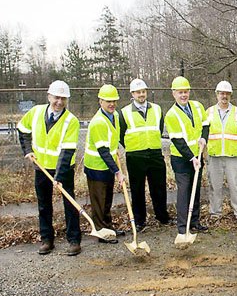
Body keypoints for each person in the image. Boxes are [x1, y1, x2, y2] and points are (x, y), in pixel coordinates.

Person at [17, 80, 82, 256]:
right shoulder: (36, 112)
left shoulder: (71, 121)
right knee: (44, 205)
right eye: (56, 97)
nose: (59, 102)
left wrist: (58, 176)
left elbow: (67, 151)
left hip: (64, 168)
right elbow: (22, 129)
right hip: (41, 167)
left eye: (63, 98)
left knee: (70, 204)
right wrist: (28, 150)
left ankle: (74, 240)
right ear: (49, 96)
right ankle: (47, 239)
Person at [118, 78, 169, 232]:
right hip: (135, 156)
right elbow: (121, 134)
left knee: (159, 187)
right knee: (137, 189)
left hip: (154, 153)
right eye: (138, 92)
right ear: (132, 94)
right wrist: (133, 146)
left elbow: (158, 129)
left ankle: (162, 216)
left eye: (143, 91)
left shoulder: (157, 109)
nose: (141, 94)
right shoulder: (124, 112)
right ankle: (140, 220)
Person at [165, 76, 210, 235]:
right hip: (182, 160)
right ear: (174, 93)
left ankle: (195, 222)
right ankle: (183, 228)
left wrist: (204, 138)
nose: (183, 95)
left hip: (197, 156)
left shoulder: (198, 106)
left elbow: (205, 125)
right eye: (180, 92)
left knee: (195, 190)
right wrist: (192, 158)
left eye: (186, 92)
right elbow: (178, 140)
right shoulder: (171, 115)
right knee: (184, 192)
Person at [84, 84, 126, 244]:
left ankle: (108, 227)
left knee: (107, 199)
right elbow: (102, 151)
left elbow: (112, 143)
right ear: (100, 101)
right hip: (96, 167)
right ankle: (101, 232)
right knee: (99, 201)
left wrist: (115, 164)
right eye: (108, 101)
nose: (112, 104)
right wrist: (118, 172)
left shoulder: (114, 115)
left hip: (107, 166)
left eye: (114, 101)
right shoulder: (98, 122)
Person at [206, 81, 237, 222]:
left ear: (230, 95)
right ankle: (215, 212)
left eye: (227, 93)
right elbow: (204, 135)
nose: (224, 96)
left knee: (236, 185)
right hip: (214, 155)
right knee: (214, 186)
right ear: (217, 94)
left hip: (233, 155)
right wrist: (205, 153)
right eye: (221, 93)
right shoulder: (209, 112)